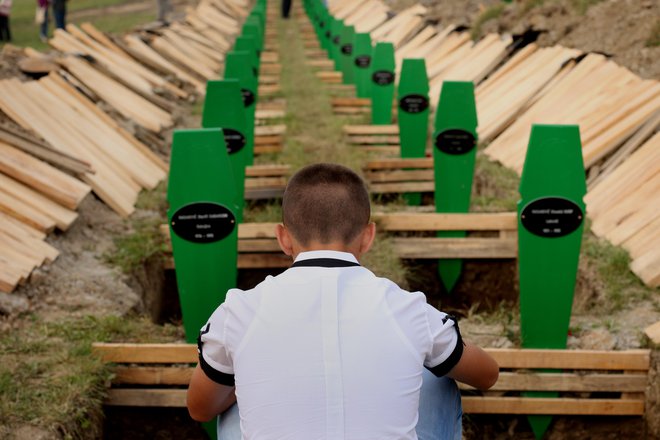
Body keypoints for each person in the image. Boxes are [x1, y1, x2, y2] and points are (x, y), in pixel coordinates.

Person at [187, 163, 499, 439]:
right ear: (368, 236)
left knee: (228, 387)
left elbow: (200, 408)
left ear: (283, 238)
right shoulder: (409, 308)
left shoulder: (238, 310)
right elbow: (486, 375)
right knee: (438, 372)